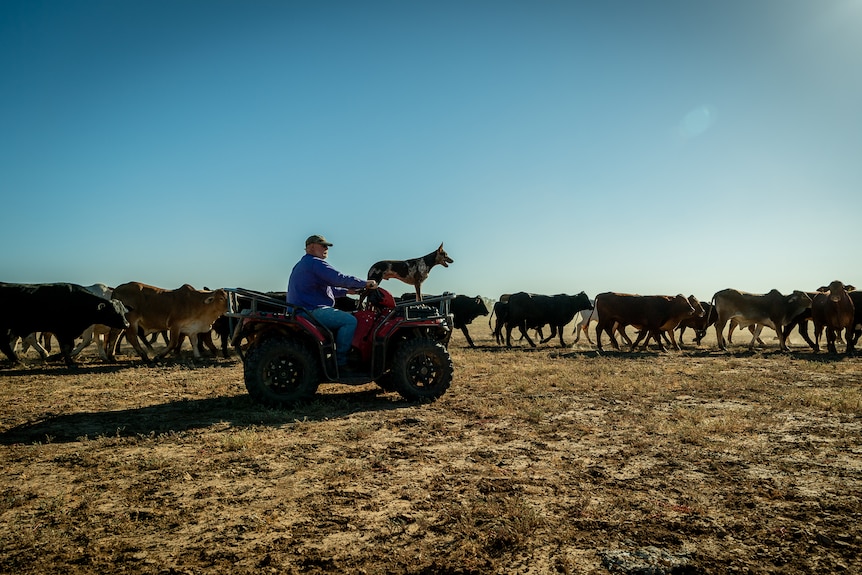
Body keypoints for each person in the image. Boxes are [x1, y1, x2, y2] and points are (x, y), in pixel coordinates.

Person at [286, 234, 377, 368]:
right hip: (311, 310)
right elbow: (338, 278)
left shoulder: (303, 264)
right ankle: (340, 361)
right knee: (350, 321)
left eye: (327, 246)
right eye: (322, 245)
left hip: (302, 310)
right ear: (311, 247)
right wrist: (365, 283)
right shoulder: (315, 263)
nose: (326, 248)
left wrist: (346, 291)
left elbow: (324, 289)